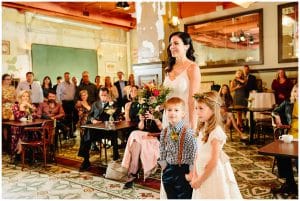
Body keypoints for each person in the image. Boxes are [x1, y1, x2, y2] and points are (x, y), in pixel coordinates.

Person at [187, 91, 242, 199]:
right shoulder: (202, 128)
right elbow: (197, 152)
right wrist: (194, 173)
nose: (197, 112)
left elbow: (213, 161)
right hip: (201, 170)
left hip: (212, 174)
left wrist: (200, 180)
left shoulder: (216, 132)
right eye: (196, 108)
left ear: (213, 109)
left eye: (201, 108)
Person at [158, 97, 197, 199]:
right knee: (171, 196)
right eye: (169, 110)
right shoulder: (164, 131)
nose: (172, 113)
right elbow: (162, 149)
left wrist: (192, 171)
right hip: (168, 169)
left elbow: (194, 153)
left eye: (176, 110)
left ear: (183, 114)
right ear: (165, 113)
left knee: (184, 197)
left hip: (183, 170)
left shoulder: (188, 132)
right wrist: (164, 166)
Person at [163, 31, 201, 130]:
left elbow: (193, 99)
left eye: (176, 43)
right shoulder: (168, 69)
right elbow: (165, 97)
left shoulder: (192, 68)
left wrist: (193, 124)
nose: (171, 47)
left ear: (186, 46)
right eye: (171, 44)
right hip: (168, 117)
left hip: (185, 116)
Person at [77, 87, 117, 171]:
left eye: (105, 95)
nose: (103, 97)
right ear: (99, 95)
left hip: (106, 129)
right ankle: (86, 160)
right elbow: (89, 116)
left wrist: (110, 105)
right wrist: (93, 120)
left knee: (87, 134)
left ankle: (115, 157)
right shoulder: (95, 104)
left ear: (108, 95)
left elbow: (114, 116)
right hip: (95, 128)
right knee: (86, 134)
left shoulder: (112, 104)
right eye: (101, 95)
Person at [121, 110, 162, 189]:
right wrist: (142, 120)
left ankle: (132, 173)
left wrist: (155, 119)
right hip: (142, 138)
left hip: (154, 139)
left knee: (134, 134)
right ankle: (134, 166)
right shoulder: (144, 111)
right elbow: (140, 128)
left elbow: (164, 131)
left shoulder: (162, 111)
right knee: (135, 138)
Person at [271, 84, 298, 195]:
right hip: (292, 136)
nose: (297, 94)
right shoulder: (288, 103)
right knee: (281, 154)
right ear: (293, 92)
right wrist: (277, 117)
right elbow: (274, 111)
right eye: (295, 91)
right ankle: (290, 183)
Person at [11, 90, 37, 155]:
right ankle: (20, 150)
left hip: (29, 127)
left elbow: (34, 116)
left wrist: (29, 107)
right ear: (20, 97)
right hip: (17, 126)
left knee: (26, 130)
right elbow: (18, 117)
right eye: (23, 96)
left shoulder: (31, 105)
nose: (25, 98)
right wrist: (22, 108)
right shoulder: (16, 106)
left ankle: (20, 151)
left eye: (27, 96)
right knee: (20, 130)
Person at [56, 72, 77, 137]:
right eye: (66, 76)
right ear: (64, 77)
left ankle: (71, 133)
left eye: (68, 76)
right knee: (65, 119)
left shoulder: (73, 84)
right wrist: (60, 103)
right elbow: (58, 94)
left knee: (72, 118)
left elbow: (75, 94)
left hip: (72, 103)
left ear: (70, 77)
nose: (67, 77)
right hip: (64, 103)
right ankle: (65, 134)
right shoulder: (61, 84)